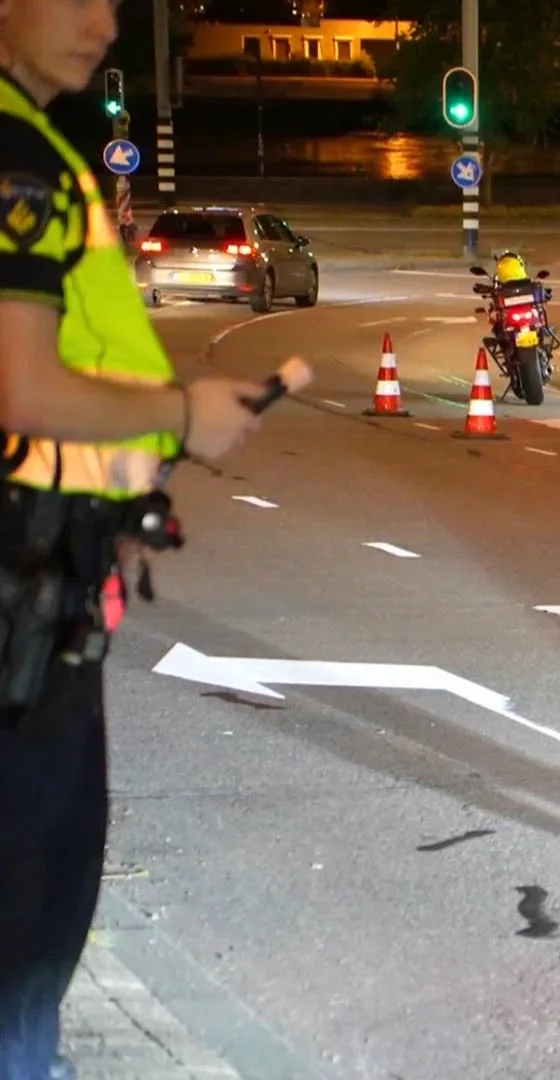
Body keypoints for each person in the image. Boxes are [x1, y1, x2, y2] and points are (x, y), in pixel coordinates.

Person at [0, 0, 270, 1071]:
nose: (103, 22)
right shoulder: (19, 156)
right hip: (19, 599)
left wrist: (111, 503)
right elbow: (19, 380)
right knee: (32, 906)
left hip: (50, 553)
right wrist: (179, 415)